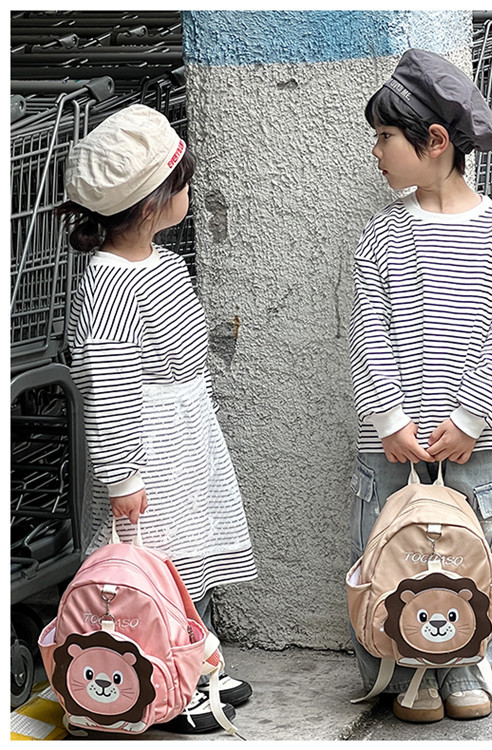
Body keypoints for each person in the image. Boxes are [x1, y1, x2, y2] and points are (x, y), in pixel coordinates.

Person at [348, 49, 492, 723]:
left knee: (479, 559)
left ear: (433, 141)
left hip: (477, 445)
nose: (375, 151)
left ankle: (468, 670)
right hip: (394, 444)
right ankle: (406, 675)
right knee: (391, 560)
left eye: (384, 137)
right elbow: (368, 333)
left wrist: (473, 416)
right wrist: (390, 418)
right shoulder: (381, 237)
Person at [60, 104, 257, 734]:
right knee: (153, 563)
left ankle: (190, 666)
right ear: (151, 202)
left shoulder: (162, 263)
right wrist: (122, 475)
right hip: (148, 450)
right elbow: (108, 385)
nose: (188, 194)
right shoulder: (110, 282)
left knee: (186, 561)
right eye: (181, 183)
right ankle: (161, 681)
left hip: (184, 438)